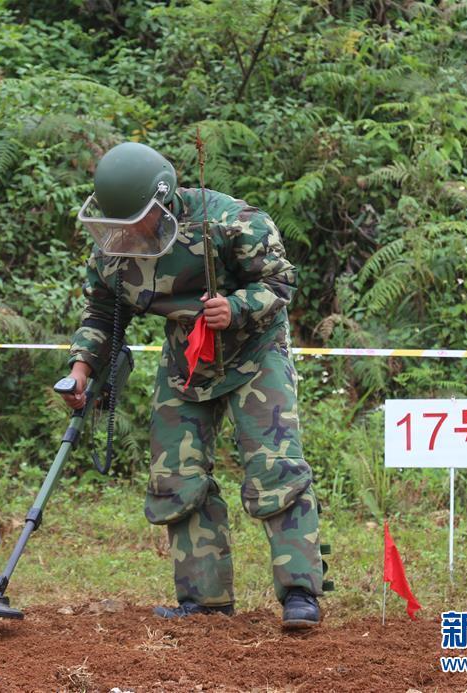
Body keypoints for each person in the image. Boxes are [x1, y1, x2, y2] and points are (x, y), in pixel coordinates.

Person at [60, 141, 326, 628]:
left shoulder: (233, 222)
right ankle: (205, 602)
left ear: (162, 202)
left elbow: (281, 283)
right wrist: (81, 368)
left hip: (254, 353)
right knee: (176, 479)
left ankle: (299, 595)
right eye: (117, 225)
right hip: (187, 357)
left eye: (136, 220)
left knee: (275, 471)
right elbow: (102, 313)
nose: (127, 233)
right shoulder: (116, 247)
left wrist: (237, 307)